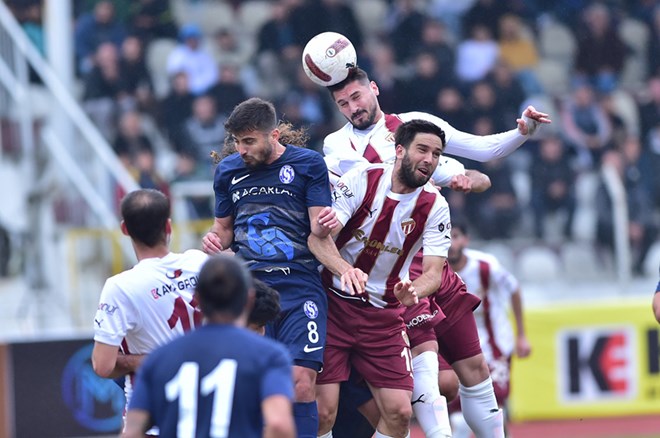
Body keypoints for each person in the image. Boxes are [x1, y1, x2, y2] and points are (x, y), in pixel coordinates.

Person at [322, 66, 548, 437]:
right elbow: (354, 196)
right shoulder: (336, 146)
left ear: (374, 89)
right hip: (392, 273)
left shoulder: (414, 125)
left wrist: (520, 135)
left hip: (431, 261)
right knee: (431, 385)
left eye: (357, 97)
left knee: (473, 370)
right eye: (343, 103)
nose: (352, 107)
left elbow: (480, 158)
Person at [201, 97, 338, 438]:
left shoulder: (308, 164)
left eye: (248, 141)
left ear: (273, 135)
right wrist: (213, 239)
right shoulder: (228, 171)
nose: (240, 149)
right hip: (249, 292)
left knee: (302, 385)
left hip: (300, 286)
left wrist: (325, 226)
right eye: (236, 141)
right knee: (250, 384)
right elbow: (224, 228)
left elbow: (317, 229)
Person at [309, 119, 452, 438]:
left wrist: (411, 291)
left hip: (385, 318)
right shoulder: (363, 178)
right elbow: (318, 239)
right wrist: (346, 270)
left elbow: (433, 274)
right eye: (423, 149)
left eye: (436, 154)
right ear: (399, 150)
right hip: (335, 309)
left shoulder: (435, 206)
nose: (429, 159)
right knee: (322, 412)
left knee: (400, 414)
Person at [123, 254, 295, 438]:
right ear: (249, 299)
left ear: (197, 298)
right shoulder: (269, 356)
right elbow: (279, 424)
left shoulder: (159, 358)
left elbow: (132, 431)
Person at [91, 189, 208, 434]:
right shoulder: (201, 263)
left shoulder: (120, 287)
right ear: (169, 226)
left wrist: (143, 360)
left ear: (124, 229)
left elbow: (102, 366)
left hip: (152, 416)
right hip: (207, 407)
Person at [447, 221, 532, 437]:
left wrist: (522, 336)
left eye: (455, 236)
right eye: (446, 236)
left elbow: (514, 290)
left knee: (495, 401)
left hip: (495, 344)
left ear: (465, 240)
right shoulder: (434, 268)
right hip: (458, 346)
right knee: (459, 408)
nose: (450, 243)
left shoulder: (486, 265)